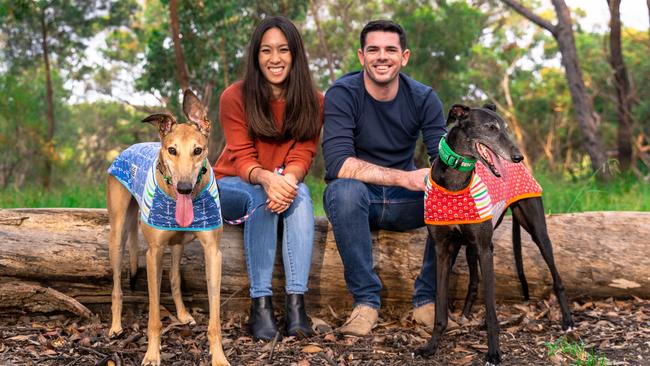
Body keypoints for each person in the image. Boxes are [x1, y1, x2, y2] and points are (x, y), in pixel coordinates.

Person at [321, 20, 447, 336]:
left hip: (407, 206)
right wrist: (404, 178)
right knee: (343, 191)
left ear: (404, 57)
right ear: (361, 57)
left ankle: (427, 300)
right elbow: (337, 163)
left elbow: (442, 161)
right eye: (373, 49)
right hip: (360, 201)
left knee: (450, 194)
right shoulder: (341, 93)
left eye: (390, 49)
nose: (382, 57)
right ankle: (365, 303)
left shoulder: (424, 97)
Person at [213, 16, 322, 341]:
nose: (275, 59)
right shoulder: (234, 97)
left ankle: (296, 307)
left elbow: (304, 153)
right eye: (266, 51)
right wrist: (268, 180)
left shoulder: (314, 101)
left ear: (295, 55)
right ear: (256, 56)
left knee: (301, 194)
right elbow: (243, 157)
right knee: (260, 195)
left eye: (283, 50)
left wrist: (287, 181)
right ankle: (259, 304)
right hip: (230, 186)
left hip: (279, 185)